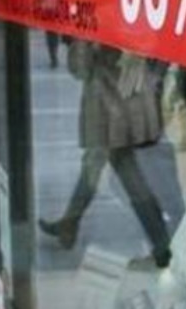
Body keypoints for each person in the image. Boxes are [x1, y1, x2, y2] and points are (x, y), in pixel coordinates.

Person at [38, 42, 171, 267]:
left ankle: (162, 246)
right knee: (117, 170)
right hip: (125, 107)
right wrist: (153, 79)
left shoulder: (100, 29)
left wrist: (81, 40)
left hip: (108, 110)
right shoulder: (131, 25)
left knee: (108, 169)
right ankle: (71, 223)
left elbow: (79, 68)